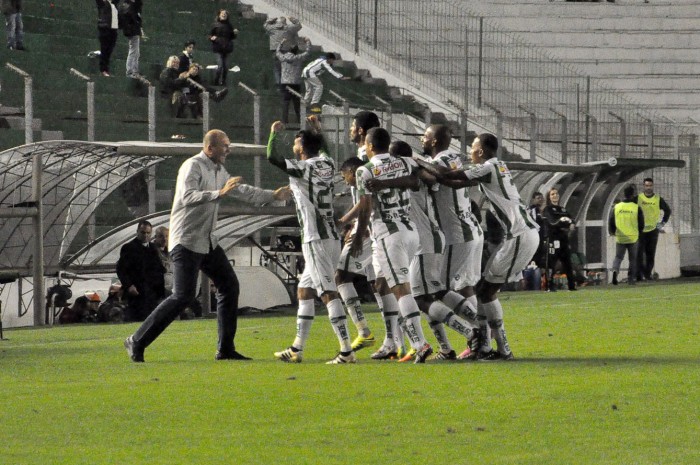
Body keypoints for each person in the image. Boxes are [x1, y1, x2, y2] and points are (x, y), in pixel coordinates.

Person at [124, 129, 292, 362]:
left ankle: (225, 349)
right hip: (187, 240)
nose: (228, 149)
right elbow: (187, 197)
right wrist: (218, 193)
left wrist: (273, 195)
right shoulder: (192, 166)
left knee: (229, 285)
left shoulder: (218, 169)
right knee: (182, 296)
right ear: (210, 147)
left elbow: (242, 191)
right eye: (225, 145)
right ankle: (136, 340)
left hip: (207, 241)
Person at [366, 140, 478, 361]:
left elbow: (422, 180)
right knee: (429, 295)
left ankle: (472, 330)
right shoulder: (411, 170)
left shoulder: (412, 170)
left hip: (425, 239)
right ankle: (447, 348)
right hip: (424, 239)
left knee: (421, 298)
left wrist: (406, 168)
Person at [438, 133, 540, 361]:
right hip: (522, 234)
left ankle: (502, 349)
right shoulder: (497, 166)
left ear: (481, 151)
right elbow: (458, 181)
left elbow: (452, 176)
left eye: (472, 148)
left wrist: (421, 166)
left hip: (520, 235)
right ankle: (485, 346)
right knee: (484, 289)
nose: (470, 152)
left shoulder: (488, 167)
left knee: (486, 291)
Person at [267, 118, 357, 364]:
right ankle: (297, 348)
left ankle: (346, 351)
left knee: (328, 291)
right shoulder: (327, 163)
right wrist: (319, 132)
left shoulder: (302, 167)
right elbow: (325, 150)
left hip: (315, 237)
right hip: (329, 235)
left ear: (302, 147)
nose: (294, 144)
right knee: (304, 291)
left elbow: (272, 158)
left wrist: (273, 135)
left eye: (297, 140)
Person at [350, 127, 434, 363]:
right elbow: (416, 183)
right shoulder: (404, 162)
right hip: (409, 231)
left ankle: (420, 343)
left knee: (400, 288)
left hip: (389, 233)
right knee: (381, 284)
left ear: (368, 145)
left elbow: (366, 207)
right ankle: (392, 342)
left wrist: (358, 236)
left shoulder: (365, 170)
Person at [337, 111, 406, 361]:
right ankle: (394, 341)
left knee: (341, 275)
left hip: (374, 226)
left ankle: (366, 331)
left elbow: (369, 198)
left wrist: (356, 226)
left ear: (363, 131)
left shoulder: (370, 159)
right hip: (371, 225)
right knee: (380, 284)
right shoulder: (366, 157)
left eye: (353, 126)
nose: (350, 130)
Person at [421, 124, 484, 359]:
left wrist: (414, 162)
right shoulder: (454, 158)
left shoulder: (443, 161)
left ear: (435, 141)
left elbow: (434, 178)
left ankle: (478, 332)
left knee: (439, 289)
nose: (422, 139)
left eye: (426, 136)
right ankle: (481, 338)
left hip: (458, 234)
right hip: (469, 230)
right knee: (464, 285)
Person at [116, 220, 166, 322]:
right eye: (143, 232)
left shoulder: (153, 248)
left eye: (148, 233)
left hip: (151, 292)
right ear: (137, 232)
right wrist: (129, 285)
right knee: (137, 319)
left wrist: (160, 291)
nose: (146, 235)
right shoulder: (128, 248)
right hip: (137, 292)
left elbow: (158, 270)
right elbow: (121, 269)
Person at [635, 177, 671, 281]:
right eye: (646, 185)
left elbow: (667, 211)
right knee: (639, 254)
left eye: (650, 185)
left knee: (650, 254)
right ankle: (639, 275)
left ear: (653, 186)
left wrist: (662, 223)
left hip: (653, 231)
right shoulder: (639, 198)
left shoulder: (658, 199)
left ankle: (647, 274)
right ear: (643, 186)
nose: (648, 188)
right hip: (640, 231)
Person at [608, 184, 644, 286]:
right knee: (632, 259)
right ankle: (631, 279)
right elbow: (641, 223)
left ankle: (615, 271)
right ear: (633, 195)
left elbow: (611, 221)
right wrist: (639, 232)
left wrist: (613, 231)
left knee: (618, 257)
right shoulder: (636, 208)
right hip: (633, 237)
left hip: (620, 237)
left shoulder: (617, 207)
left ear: (624, 194)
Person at [543, 188, 577, 291]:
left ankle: (572, 286)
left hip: (563, 239)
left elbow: (572, 219)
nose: (555, 196)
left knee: (568, 263)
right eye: (552, 194)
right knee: (551, 263)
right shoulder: (547, 209)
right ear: (549, 197)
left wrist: (571, 223)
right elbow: (552, 222)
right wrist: (562, 221)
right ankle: (549, 286)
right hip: (553, 239)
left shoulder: (563, 209)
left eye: (556, 193)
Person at [276, 37, 310, 125]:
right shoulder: (298, 58)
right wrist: (308, 42)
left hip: (285, 83)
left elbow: (277, 52)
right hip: (295, 83)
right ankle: (300, 121)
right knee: (297, 103)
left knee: (285, 102)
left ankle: (284, 121)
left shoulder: (283, 57)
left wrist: (281, 43)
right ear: (296, 51)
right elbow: (307, 52)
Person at [264, 16, 302, 85]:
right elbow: (298, 25)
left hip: (275, 51)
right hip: (286, 51)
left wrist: (272, 19)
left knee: (277, 68)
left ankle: (278, 84)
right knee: (287, 68)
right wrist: (292, 19)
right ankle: (287, 84)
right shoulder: (289, 28)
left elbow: (265, 25)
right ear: (285, 22)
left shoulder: (272, 28)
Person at [209, 9, 237, 86]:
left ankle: (223, 82)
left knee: (226, 67)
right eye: (222, 13)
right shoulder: (215, 24)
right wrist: (212, 38)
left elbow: (232, 37)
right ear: (219, 15)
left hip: (227, 48)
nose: (224, 15)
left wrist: (235, 33)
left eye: (225, 14)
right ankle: (216, 81)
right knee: (220, 66)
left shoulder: (229, 25)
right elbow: (210, 35)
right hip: (218, 48)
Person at [526, 192, 546, 290]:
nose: (540, 200)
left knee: (540, 261)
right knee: (533, 262)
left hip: (541, 241)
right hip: (534, 240)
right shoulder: (531, 210)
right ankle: (533, 286)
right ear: (533, 199)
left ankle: (539, 284)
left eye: (542, 198)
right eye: (538, 198)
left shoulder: (542, 211)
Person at [117, 0, 143, 78]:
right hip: (132, 31)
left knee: (136, 52)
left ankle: (134, 71)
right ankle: (130, 71)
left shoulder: (127, 5)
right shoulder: (129, 6)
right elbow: (131, 19)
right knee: (133, 51)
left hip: (132, 30)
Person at [95, 0, 118, 77]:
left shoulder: (114, 3)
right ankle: (103, 70)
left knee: (109, 50)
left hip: (113, 28)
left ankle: (106, 69)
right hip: (104, 27)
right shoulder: (102, 3)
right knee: (104, 49)